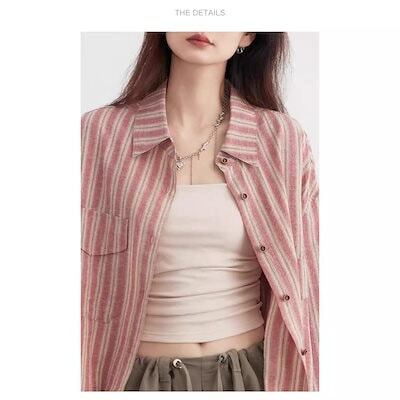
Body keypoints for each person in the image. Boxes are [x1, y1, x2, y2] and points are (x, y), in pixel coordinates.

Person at [81, 32, 319, 391]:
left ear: (248, 35)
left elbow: (310, 285)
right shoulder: (98, 135)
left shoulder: (281, 140)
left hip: (251, 376)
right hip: (134, 378)